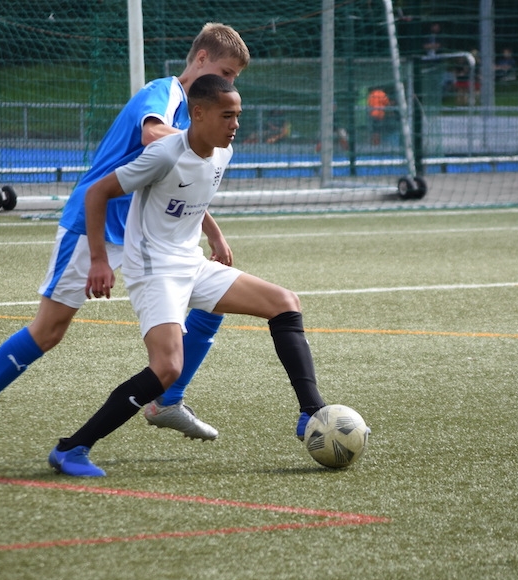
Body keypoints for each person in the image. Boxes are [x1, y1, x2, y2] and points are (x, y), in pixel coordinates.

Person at [0, 23, 250, 463]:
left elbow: (180, 176)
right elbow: (153, 136)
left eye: (234, 77)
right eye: (226, 72)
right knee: (48, 331)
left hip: (144, 235)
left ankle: (168, 399)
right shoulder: (164, 94)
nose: (229, 83)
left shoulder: (195, 115)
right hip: (94, 225)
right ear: (201, 60)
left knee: (214, 298)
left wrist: (212, 231)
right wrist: (197, 142)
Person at [47, 75, 327, 477]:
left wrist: (214, 234)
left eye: (238, 115)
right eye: (227, 116)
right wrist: (98, 260)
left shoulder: (223, 152)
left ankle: (312, 412)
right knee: (167, 368)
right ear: (198, 114)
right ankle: (71, 448)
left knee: (284, 303)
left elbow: (191, 195)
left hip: (190, 263)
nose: (235, 124)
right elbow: (97, 193)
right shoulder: (164, 154)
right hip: (153, 270)